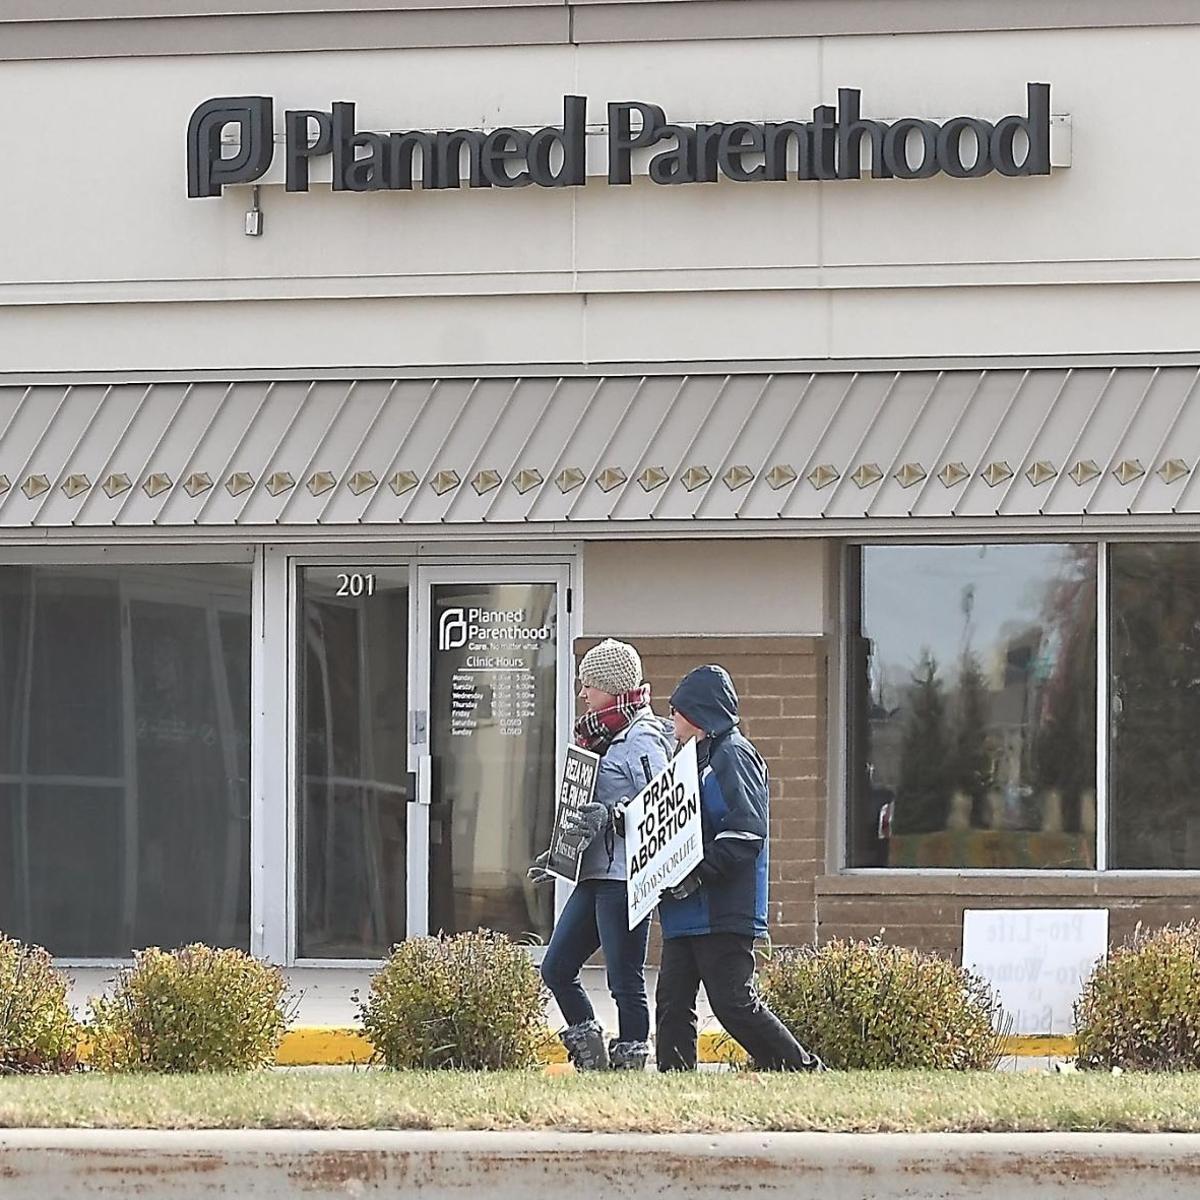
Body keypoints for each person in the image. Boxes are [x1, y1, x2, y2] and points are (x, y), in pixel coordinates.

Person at [655, 663, 826, 1072]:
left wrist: (695, 871)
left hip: (721, 909)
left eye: (678, 710)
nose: (672, 717)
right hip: (686, 911)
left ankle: (801, 1069)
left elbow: (747, 832)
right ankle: (674, 1084)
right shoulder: (693, 758)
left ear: (698, 714)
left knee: (732, 1001)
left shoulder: (732, 755)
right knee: (672, 1004)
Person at [528, 638, 673, 1071]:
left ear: (612, 686)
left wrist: (611, 816)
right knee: (556, 967)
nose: (583, 693)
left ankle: (630, 1062)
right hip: (593, 872)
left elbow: (662, 804)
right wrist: (558, 854)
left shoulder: (643, 738)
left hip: (625, 876)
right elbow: (584, 806)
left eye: (589, 684)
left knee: (624, 980)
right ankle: (592, 1057)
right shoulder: (604, 735)